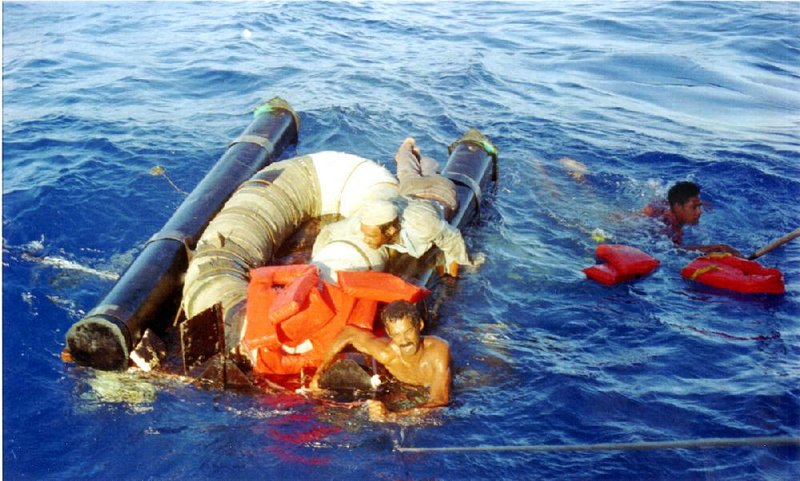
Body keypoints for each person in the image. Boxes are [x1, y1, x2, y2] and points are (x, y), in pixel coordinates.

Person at [309, 300, 451, 421]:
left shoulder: (437, 352)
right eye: (397, 335)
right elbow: (348, 333)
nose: (404, 341)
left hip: (434, 394)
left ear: (419, 325)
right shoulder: (386, 353)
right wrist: (319, 372)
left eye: (408, 332)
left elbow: (439, 401)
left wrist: (392, 416)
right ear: (389, 334)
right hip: (399, 388)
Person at [643, 181, 741, 256]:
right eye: (694, 207)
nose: (700, 212)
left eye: (699, 206)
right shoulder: (669, 225)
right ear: (678, 207)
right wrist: (716, 248)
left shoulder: (671, 206)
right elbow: (672, 250)